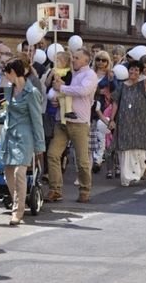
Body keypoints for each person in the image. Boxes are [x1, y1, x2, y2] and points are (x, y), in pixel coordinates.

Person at [0, 58, 45, 225]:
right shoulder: (9, 89)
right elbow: (9, 109)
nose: (5, 77)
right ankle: (17, 200)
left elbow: (37, 120)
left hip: (24, 137)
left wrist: (39, 145)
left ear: (12, 73)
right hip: (8, 134)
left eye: (6, 73)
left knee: (19, 173)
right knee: (8, 172)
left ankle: (18, 211)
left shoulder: (32, 93)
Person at [46, 48, 98, 203]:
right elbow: (58, 91)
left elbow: (83, 91)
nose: (73, 60)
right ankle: (55, 190)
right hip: (61, 120)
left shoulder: (90, 75)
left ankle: (84, 190)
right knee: (53, 154)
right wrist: (55, 99)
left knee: (82, 160)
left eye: (76, 58)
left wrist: (61, 88)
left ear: (85, 60)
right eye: (73, 57)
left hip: (79, 122)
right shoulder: (69, 73)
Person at [108, 60, 146, 186]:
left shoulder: (143, 85)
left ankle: (137, 174)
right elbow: (115, 103)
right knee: (125, 150)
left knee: (139, 151)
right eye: (131, 69)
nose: (133, 72)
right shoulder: (121, 86)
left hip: (140, 123)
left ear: (140, 72)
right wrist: (112, 119)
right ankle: (127, 178)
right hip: (124, 122)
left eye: (136, 70)